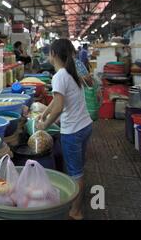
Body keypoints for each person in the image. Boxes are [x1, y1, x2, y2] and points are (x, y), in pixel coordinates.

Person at [36, 39, 93, 220]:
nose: (48, 56)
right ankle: (77, 199)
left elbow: (59, 107)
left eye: (49, 53)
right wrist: (44, 113)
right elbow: (57, 99)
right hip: (85, 126)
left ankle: (76, 211)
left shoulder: (59, 76)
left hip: (73, 131)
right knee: (78, 168)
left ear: (53, 54)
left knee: (75, 172)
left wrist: (44, 126)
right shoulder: (70, 73)